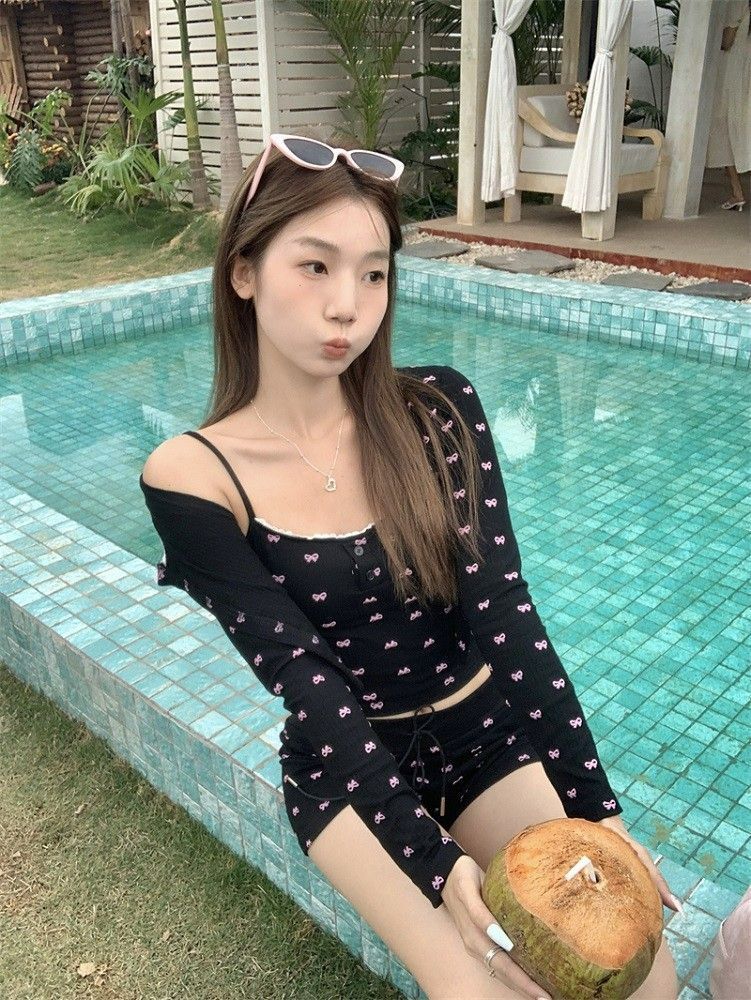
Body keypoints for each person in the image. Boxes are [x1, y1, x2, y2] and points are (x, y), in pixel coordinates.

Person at [139, 132, 679, 999]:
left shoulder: (436, 409)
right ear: (242, 271)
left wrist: (598, 815)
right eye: (314, 267)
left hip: (481, 730)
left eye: (373, 274)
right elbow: (305, 679)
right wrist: (434, 863)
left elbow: (502, 611)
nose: (346, 307)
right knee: (489, 989)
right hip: (348, 763)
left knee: (640, 974)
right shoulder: (193, 475)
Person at [706, 0, 751, 210]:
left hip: (734, 72)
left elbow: (727, 41)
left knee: (724, 126)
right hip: (745, 71)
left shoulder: (738, 2)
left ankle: (737, 191)